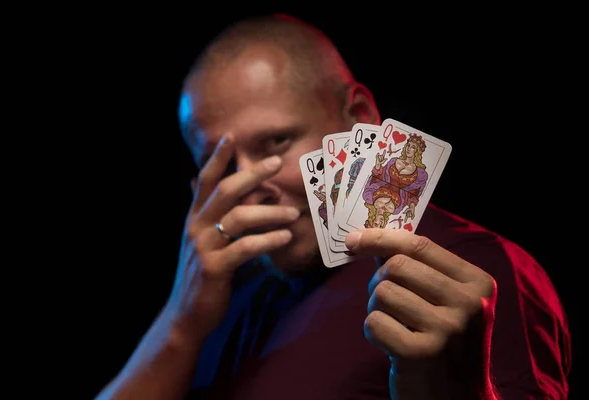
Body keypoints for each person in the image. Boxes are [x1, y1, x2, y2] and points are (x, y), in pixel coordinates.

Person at [96, 14, 571, 399]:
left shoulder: (479, 272)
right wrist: (180, 318)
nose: (247, 185)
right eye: (218, 162)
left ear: (359, 117)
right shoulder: (214, 307)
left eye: (276, 142)